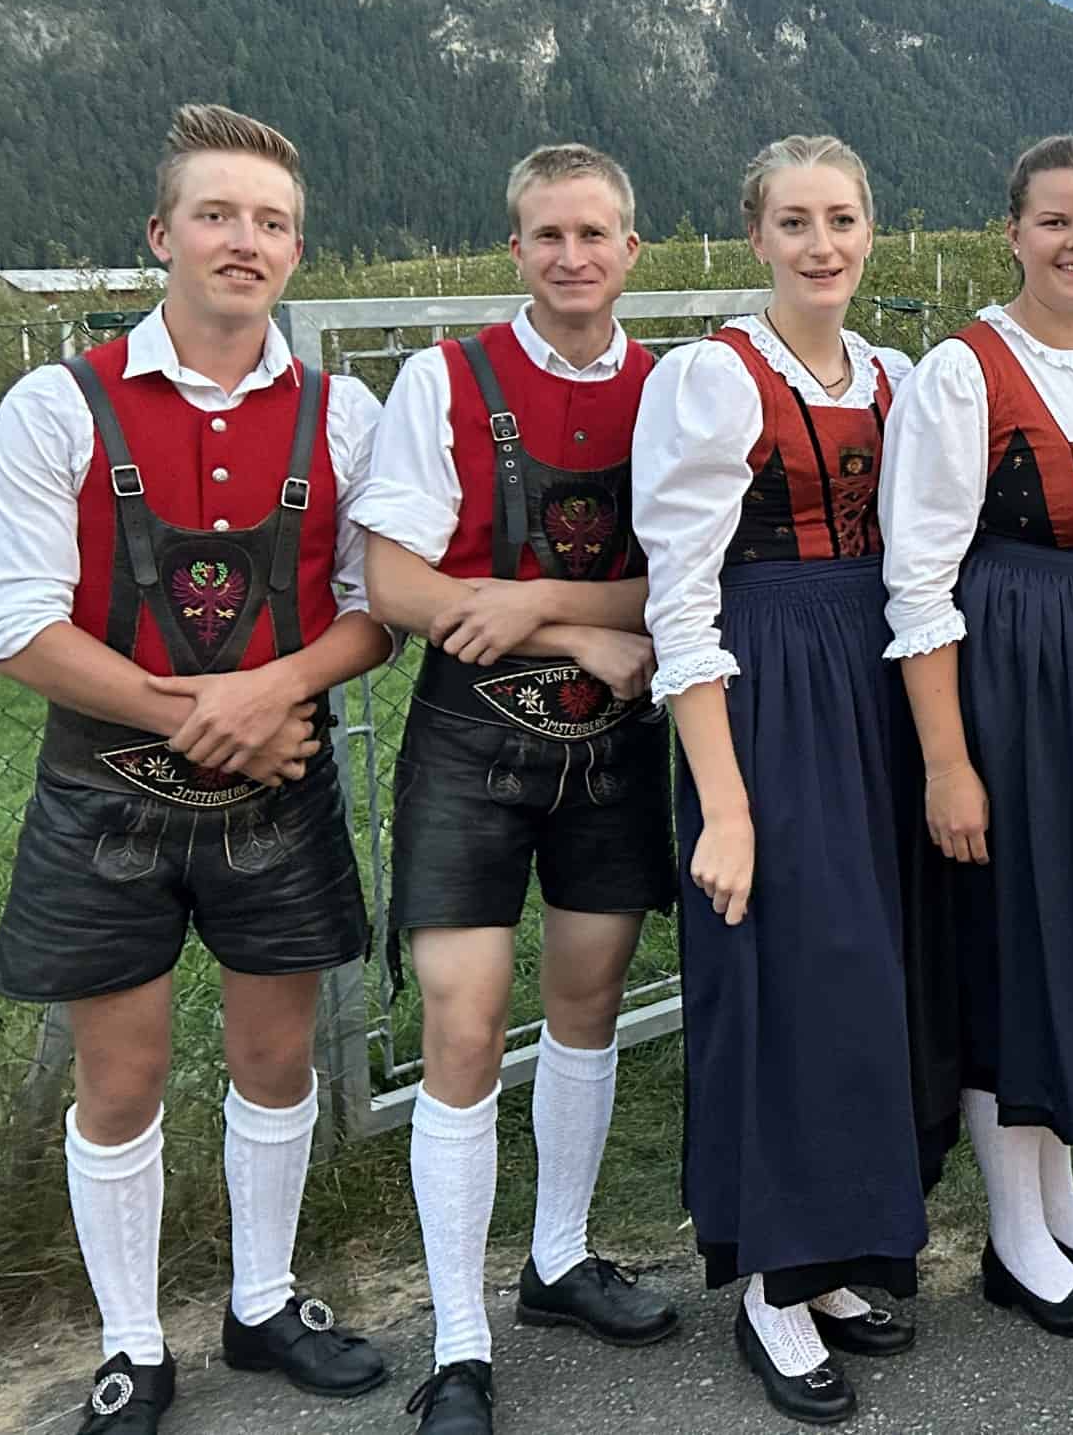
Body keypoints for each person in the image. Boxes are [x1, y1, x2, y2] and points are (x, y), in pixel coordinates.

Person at [0, 105, 394, 1434]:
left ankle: (263, 1302)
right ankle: (132, 1340)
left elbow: (377, 609)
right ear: (161, 234)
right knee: (123, 1077)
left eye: (271, 221)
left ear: (297, 251)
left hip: (280, 785)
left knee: (277, 1057)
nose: (244, 240)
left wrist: (274, 691)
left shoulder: (344, 414)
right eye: (217, 214)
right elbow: (18, 626)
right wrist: (215, 714)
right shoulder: (59, 403)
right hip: (107, 794)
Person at [356, 145, 677, 1435]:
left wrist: (532, 599)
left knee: (588, 1006)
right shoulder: (444, 379)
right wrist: (586, 633)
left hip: (609, 751)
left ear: (632, 250)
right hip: (470, 752)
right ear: (516, 251)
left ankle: (558, 1258)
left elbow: (685, 580)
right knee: (465, 1029)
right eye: (549, 235)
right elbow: (398, 585)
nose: (572, 256)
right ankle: (459, 1341)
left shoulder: (671, 389)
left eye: (595, 234)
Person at [632, 136, 932, 1425]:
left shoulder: (894, 375)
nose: (822, 245)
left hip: (872, 678)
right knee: (781, 975)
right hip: (767, 688)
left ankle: (839, 1253)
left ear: (870, 231)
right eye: (796, 222)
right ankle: (772, 1280)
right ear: (754, 236)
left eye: (842, 219)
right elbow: (679, 596)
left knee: (862, 975)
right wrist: (727, 803)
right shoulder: (713, 377)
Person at [880, 136, 1073, 1342]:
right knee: (1020, 936)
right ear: (1010, 232)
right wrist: (948, 761)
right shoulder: (963, 372)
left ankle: (1059, 1203)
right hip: (1016, 679)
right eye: (1055, 221)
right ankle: (1012, 1236)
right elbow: (918, 579)